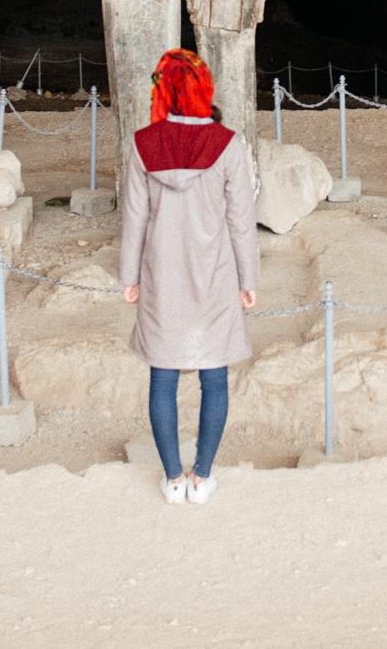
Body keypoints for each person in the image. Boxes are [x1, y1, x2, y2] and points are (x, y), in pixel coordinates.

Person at [119, 47, 258, 503]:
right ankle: (203, 478)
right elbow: (241, 219)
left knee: (164, 377)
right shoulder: (228, 144)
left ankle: (173, 478)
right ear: (203, 89)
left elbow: (134, 218)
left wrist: (129, 275)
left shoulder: (143, 144)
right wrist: (247, 279)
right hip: (214, 274)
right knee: (213, 376)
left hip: (162, 274)